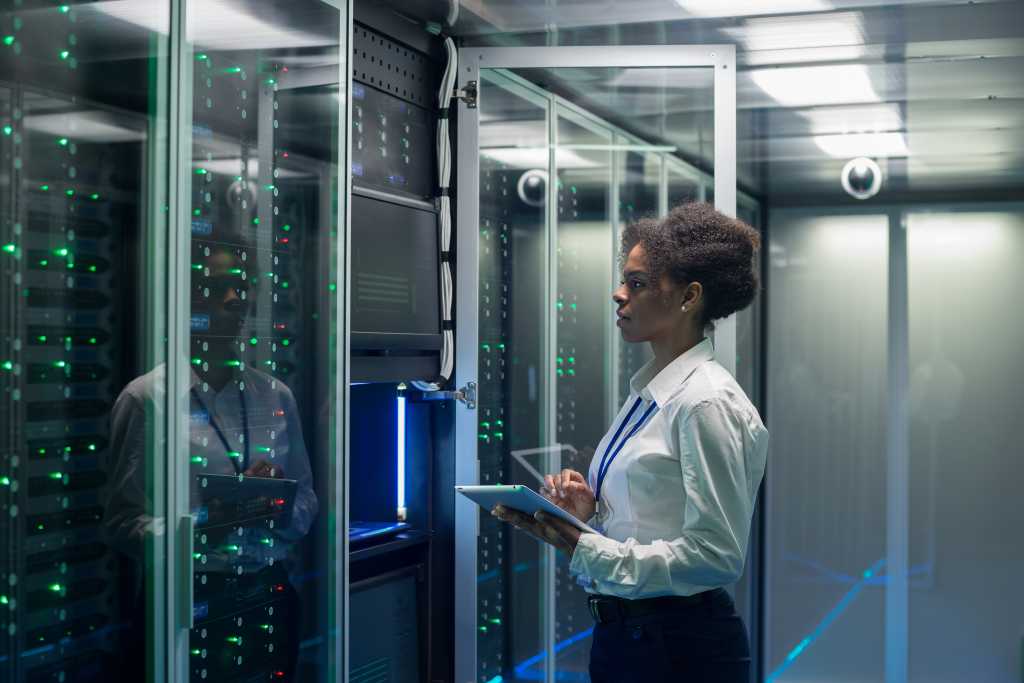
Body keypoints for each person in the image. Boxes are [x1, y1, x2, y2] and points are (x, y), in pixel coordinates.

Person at [493, 202, 768, 683]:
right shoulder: (652, 391)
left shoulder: (705, 402)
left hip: (679, 649)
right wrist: (589, 516)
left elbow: (716, 556)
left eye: (637, 284)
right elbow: (651, 520)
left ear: (689, 298)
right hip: (629, 638)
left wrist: (588, 548)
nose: (618, 295)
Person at [103, 235, 317, 681]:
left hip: (268, 592)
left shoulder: (274, 394)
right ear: (186, 298)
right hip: (186, 599)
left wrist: (276, 505)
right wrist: (206, 520)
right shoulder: (148, 399)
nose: (235, 299)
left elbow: (306, 503)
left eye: (242, 287)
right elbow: (122, 524)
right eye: (218, 286)